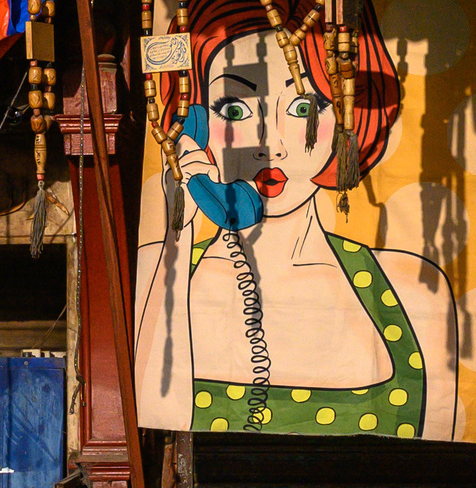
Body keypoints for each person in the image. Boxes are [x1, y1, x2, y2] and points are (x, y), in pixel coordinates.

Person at [134, 0, 458, 439]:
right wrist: (180, 229)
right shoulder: (160, 268)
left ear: (347, 114)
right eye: (234, 110)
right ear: (192, 124)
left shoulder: (414, 288)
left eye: (304, 108)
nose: (272, 146)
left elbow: (441, 443)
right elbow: (153, 411)